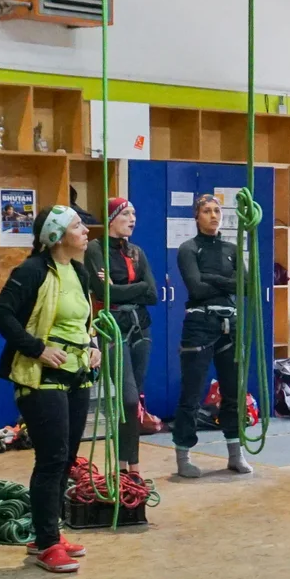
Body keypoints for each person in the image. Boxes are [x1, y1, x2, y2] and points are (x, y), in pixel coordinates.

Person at [0, 205, 101, 574]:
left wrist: (93, 345)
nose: (85, 230)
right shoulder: (33, 271)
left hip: (76, 372)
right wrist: (37, 348)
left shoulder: (79, 271)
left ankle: (47, 534)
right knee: (51, 458)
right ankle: (48, 542)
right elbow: (0, 314)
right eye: (77, 225)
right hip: (40, 377)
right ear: (56, 236)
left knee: (67, 458)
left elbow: (83, 321)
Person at [173, 194, 252, 479]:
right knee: (192, 393)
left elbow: (246, 286)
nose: (213, 215)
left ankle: (235, 452)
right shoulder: (188, 248)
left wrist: (214, 279)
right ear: (197, 217)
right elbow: (195, 288)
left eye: (217, 210)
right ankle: (183, 453)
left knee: (232, 392)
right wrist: (226, 284)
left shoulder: (232, 248)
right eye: (206, 211)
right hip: (200, 323)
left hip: (230, 322)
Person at [83, 197, 159, 485]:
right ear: (112, 218)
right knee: (126, 398)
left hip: (140, 329)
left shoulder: (137, 252)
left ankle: (132, 466)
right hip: (112, 329)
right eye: (127, 213)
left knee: (135, 400)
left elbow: (151, 293)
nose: (133, 218)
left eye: (134, 213)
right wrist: (130, 289)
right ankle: (120, 462)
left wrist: (120, 288)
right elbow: (102, 292)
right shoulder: (95, 249)